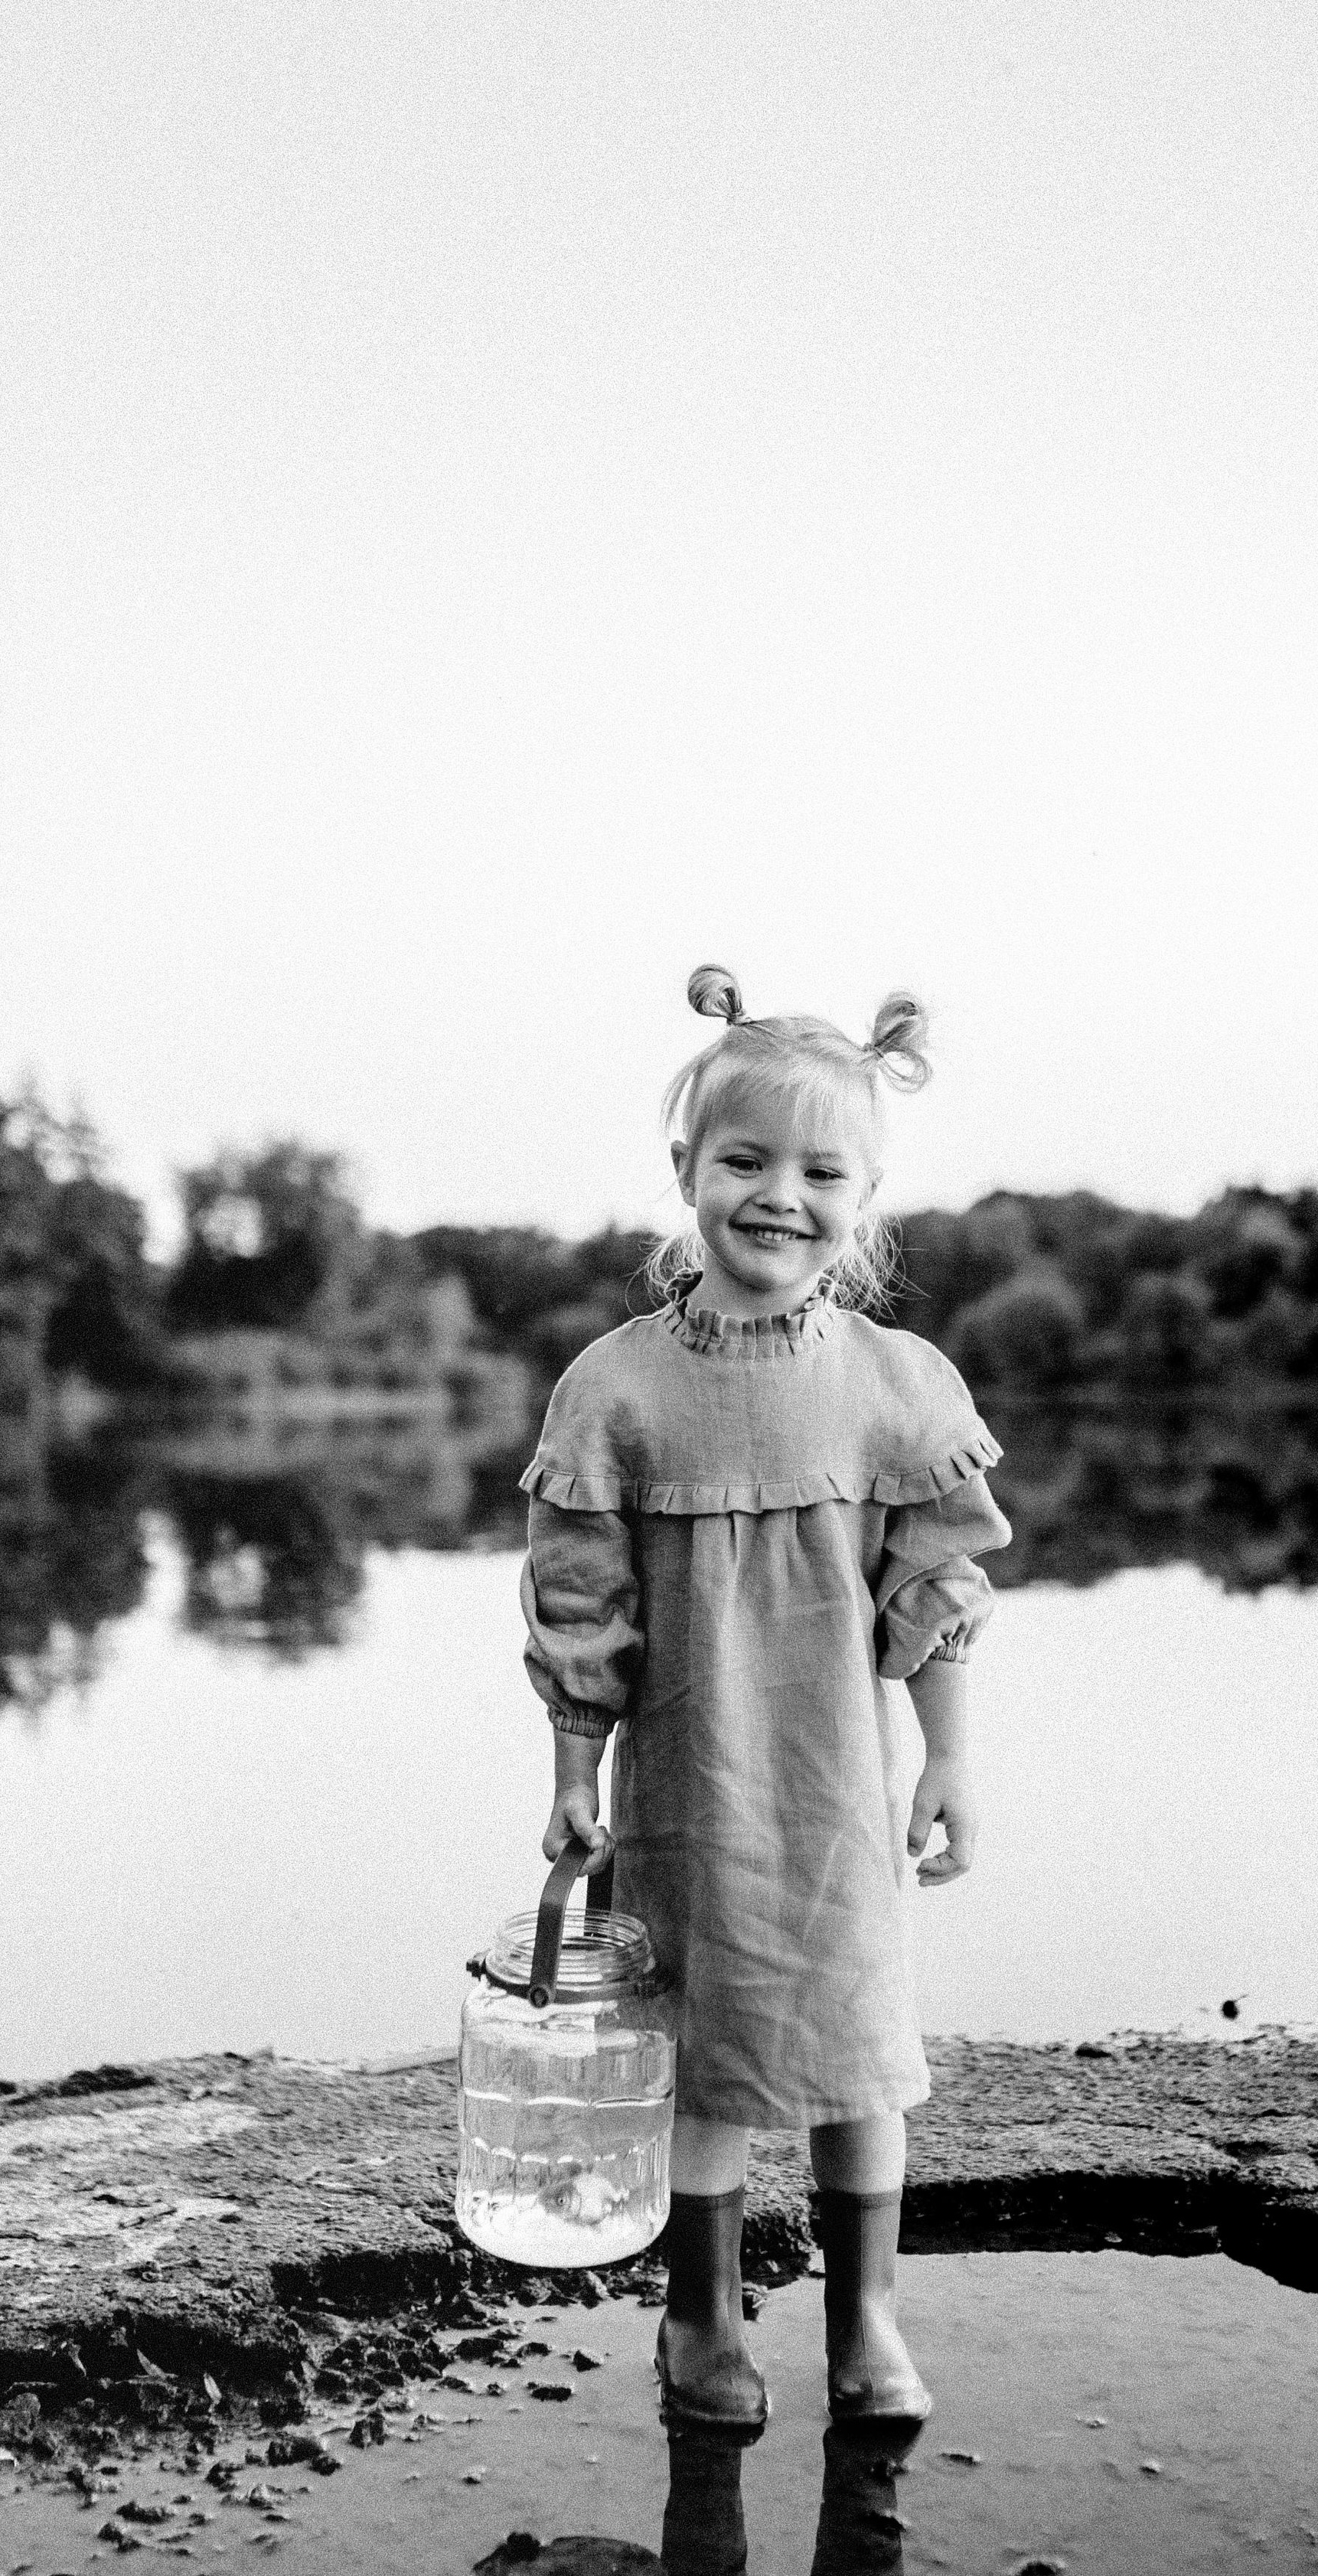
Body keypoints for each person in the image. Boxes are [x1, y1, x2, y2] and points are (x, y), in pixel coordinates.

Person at [520, 967, 1010, 2426]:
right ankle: (701, 2326)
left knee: (863, 2053)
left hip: (837, 1781)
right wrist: (568, 1774)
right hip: (688, 1782)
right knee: (710, 2055)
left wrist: (949, 1764)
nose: (777, 1195)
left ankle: (864, 2322)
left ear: (866, 1197)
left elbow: (941, 1591)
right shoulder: (614, 1387)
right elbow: (578, 1604)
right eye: (744, 1161)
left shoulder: (897, 1382)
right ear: (685, 1172)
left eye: (819, 1171)